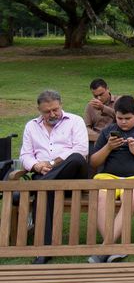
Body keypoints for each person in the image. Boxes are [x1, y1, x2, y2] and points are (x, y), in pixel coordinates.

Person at [88, 95, 134, 264]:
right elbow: (93, 162)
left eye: (128, 118)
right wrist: (108, 147)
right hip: (108, 177)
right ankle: (112, 248)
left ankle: (104, 249)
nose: (123, 122)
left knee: (133, 196)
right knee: (101, 197)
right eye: (120, 118)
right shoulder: (107, 132)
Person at [19, 90, 88, 264]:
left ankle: (42, 184)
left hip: (72, 179)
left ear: (61, 105)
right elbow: (25, 155)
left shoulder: (75, 121)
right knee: (47, 190)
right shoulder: (31, 126)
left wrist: (51, 164)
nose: (52, 114)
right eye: (47, 112)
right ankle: (44, 250)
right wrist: (35, 165)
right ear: (39, 110)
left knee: (76, 158)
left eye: (55, 110)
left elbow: (81, 150)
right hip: (45, 178)